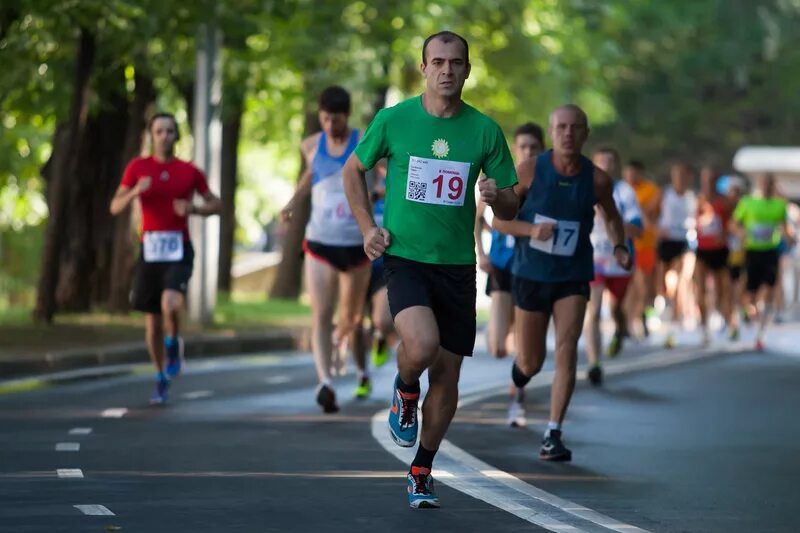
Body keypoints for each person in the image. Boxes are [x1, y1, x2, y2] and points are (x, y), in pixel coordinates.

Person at [342, 31, 518, 508]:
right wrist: (366, 226)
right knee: (418, 345)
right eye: (437, 61)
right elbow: (352, 170)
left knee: (447, 377)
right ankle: (403, 391)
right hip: (406, 258)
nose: (446, 70)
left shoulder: (485, 131)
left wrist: (495, 195)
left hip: (457, 268)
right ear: (423, 68)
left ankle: (422, 468)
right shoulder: (395, 120)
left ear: (466, 70)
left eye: (455, 62)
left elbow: (508, 207)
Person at [494, 105, 631, 462]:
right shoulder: (528, 171)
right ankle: (519, 376)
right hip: (531, 274)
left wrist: (619, 246)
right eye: (562, 127)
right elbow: (500, 222)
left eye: (576, 128)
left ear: (585, 134)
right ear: (552, 132)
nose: (568, 133)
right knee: (531, 361)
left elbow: (614, 218)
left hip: (572, 274)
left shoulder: (598, 179)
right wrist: (530, 230)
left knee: (568, 347)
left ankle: (553, 432)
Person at [109, 112, 221, 404]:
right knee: (152, 322)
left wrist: (194, 209)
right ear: (151, 135)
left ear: (177, 136)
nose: (164, 136)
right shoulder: (138, 168)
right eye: (159, 131)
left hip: (179, 248)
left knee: (171, 303)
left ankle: (173, 344)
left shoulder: (189, 171)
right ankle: (160, 376)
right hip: (150, 250)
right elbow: (114, 206)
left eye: (170, 131)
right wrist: (135, 190)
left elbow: (217, 204)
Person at [280, 86, 372, 412]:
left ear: (347, 116)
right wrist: (291, 204)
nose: (330, 125)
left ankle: (342, 341)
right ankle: (325, 382)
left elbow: (381, 177)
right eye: (325, 118)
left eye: (336, 119)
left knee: (351, 317)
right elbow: (309, 176)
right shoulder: (310, 145)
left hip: (357, 243)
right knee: (321, 312)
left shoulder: (363, 142)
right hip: (320, 240)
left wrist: (379, 193)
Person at [475, 122, 544, 363]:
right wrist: (481, 254)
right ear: (515, 148)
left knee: (521, 343)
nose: (528, 152)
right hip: (501, 264)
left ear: (542, 149)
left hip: (529, 266)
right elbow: (477, 216)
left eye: (533, 147)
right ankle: (498, 332)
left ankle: (518, 389)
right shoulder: (501, 176)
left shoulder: (545, 184)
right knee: (497, 347)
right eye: (523, 147)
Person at [584, 148, 642, 386]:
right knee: (594, 311)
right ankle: (594, 363)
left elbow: (638, 229)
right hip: (594, 258)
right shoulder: (583, 187)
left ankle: (620, 329)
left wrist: (611, 219)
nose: (605, 167)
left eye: (610, 162)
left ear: (616, 167)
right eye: (601, 163)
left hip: (619, 260)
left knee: (617, 309)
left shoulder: (624, 192)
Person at [731, 173, 793, 351]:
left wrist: (790, 239)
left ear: (773, 187)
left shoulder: (779, 206)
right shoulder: (748, 203)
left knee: (768, 288)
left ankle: (760, 333)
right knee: (749, 291)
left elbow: (784, 228)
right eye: (764, 184)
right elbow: (734, 224)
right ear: (759, 185)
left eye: (769, 184)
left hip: (770, 252)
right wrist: (741, 233)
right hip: (752, 251)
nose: (766, 187)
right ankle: (750, 311)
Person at [656, 162, 696, 348]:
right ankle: (665, 307)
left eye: (683, 175)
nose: (679, 178)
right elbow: (647, 212)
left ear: (688, 177)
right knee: (666, 284)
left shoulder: (692, 197)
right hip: (667, 241)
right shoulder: (664, 193)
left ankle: (675, 324)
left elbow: (704, 215)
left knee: (682, 281)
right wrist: (656, 229)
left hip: (684, 242)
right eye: (676, 174)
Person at [693, 166, 733, 345]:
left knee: (722, 288)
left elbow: (733, 224)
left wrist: (724, 235)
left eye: (711, 179)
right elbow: (693, 221)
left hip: (720, 249)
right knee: (700, 289)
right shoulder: (698, 200)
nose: (707, 182)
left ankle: (722, 316)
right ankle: (704, 327)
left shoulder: (724, 202)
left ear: (716, 181)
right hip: (702, 249)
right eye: (705, 179)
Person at [622, 160, 661, 338]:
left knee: (644, 285)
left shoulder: (650, 189)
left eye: (633, 173)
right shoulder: (619, 190)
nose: (630, 176)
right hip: (625, 245)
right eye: (627, 173)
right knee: (629, 287)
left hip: (645, 245)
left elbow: (650, 213)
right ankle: (628, 322)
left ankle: (643, 314)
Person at [366, 160, 396, 368]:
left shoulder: (400, 176)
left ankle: (381, 335)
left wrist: (382, 193)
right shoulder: (362, 178)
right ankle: (362, 374)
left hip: (386, 261)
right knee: (354, 321)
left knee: (382, 320)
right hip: (359, 262)